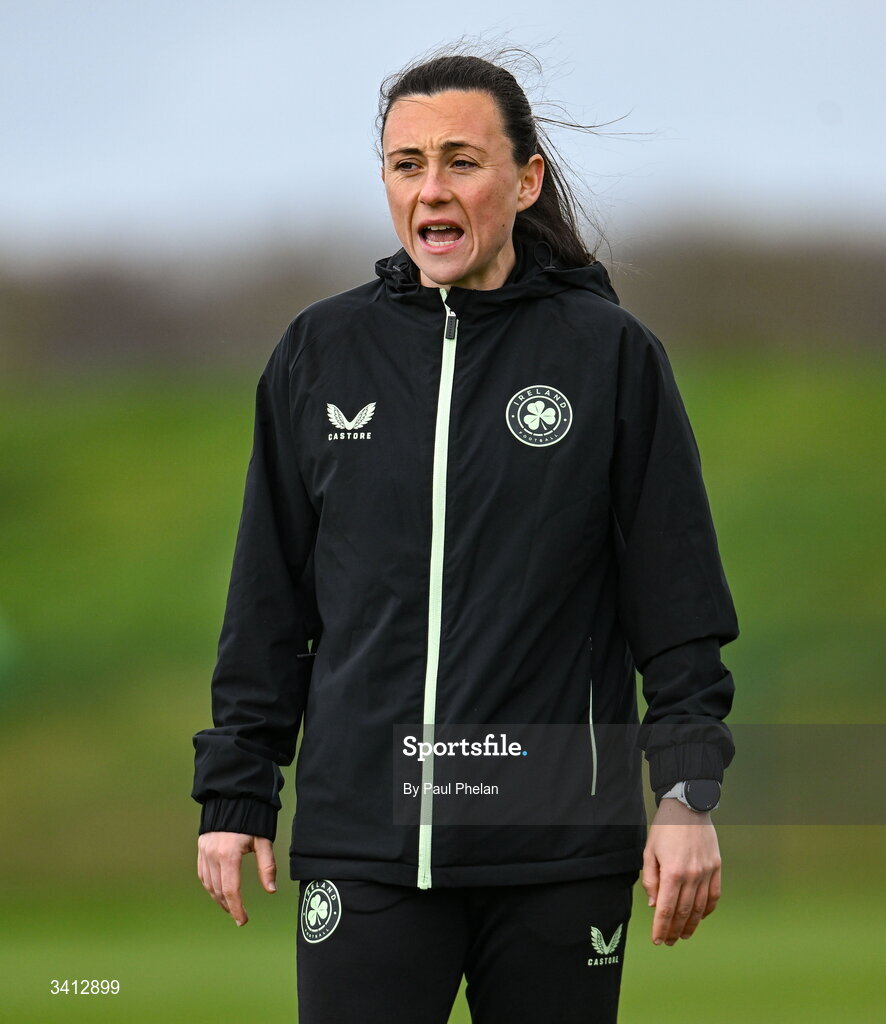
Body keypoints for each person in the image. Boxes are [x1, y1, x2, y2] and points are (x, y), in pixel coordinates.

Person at [192, 47, 739, 1024]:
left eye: (460, 160)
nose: (430, 188)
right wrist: (236, 792)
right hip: (365, 841)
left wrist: (685, 791)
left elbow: (677, 601)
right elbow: (268, 599)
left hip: (555, 844)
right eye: (407, 164)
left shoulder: (609, 355)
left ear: (524, 180)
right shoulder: (321, 353)